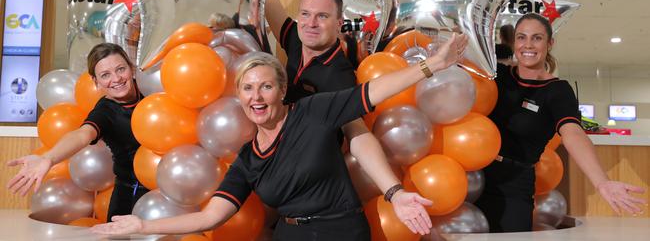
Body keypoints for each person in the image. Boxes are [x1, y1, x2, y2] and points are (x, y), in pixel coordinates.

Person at [91, 33, 469, 239]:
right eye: (247, 89)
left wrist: (433, 64)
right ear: (238, 97)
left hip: (343, 233)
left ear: (282, 89)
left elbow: (375, 91)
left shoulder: (314, 112)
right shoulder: (248, 158)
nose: (256, 97)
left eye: (265, 87)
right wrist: (142, 226)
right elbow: (209, 218)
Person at [475, 13, 646, 232]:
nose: (528, 45)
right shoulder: (497, 77)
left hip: (514, 186)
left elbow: (573, 133)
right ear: (514, 41)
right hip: (474, 177)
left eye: (536, 38)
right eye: (521, 37)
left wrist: (602, 181)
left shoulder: (557, 91)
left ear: (550, 43)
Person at [263, 0, 414, 211]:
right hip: (277, 169)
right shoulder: (297, 37)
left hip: (313, 183)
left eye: (322, 16)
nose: (311, 23)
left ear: (338, 23)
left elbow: (357, 133)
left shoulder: (338, 76)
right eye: (305, 14)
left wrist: (394, 191)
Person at [6, 43, 149, 220]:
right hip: (132, 196)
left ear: (131, 68)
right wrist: (47, 158)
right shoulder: (105, 111)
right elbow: (82, 135)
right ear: (96, 82)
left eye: (121, 69)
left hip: (179, 190)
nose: (116, 79)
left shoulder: (151, 88)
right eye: (105, 75)